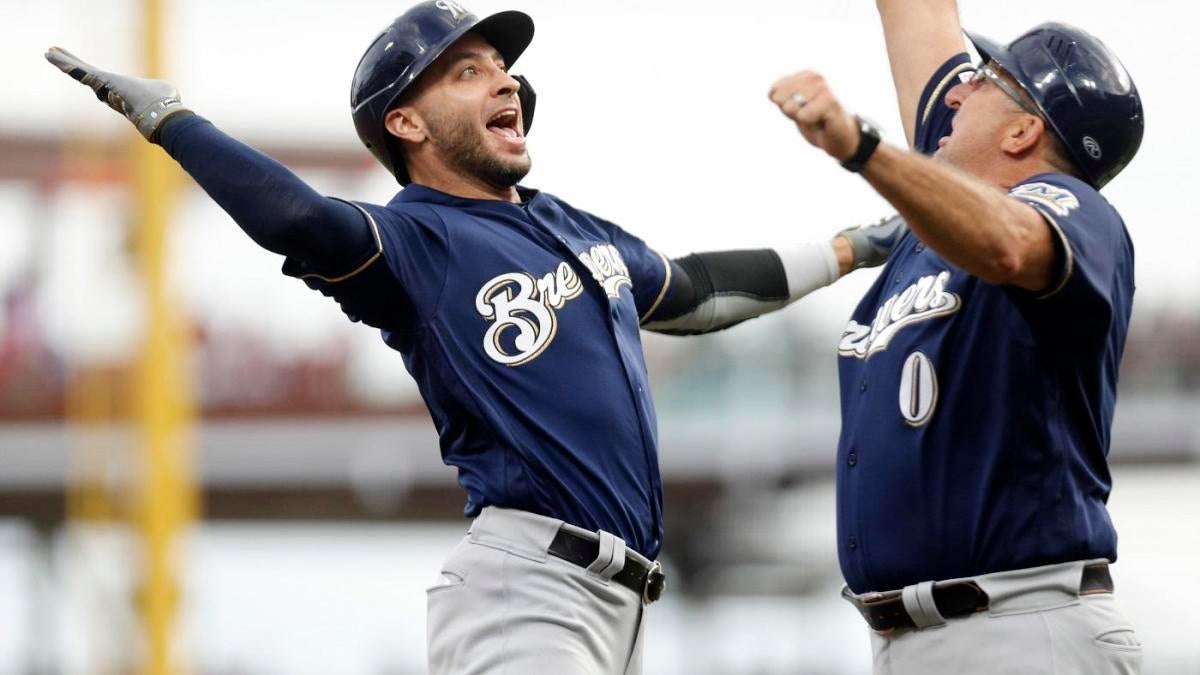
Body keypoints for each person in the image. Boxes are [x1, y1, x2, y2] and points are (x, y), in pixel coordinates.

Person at [47, 2, 904, 672]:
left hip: (628, 601)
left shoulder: (564, 222)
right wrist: (176, 123)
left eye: (502, 68)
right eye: (466, 71)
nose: (504, 83)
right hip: (525, 589)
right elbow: (301, 219)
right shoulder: (418, 243)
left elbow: (692, 291)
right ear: (407, 125)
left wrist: (846, 250)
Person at [767, 1, 1144, 673]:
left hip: (1026, 629)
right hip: (912, 641)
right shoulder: (941, 199)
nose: (960, 87)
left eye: (986, 77)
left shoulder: (1075, 209)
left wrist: (861, 145)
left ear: (1024, 131)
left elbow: (1005, 242)